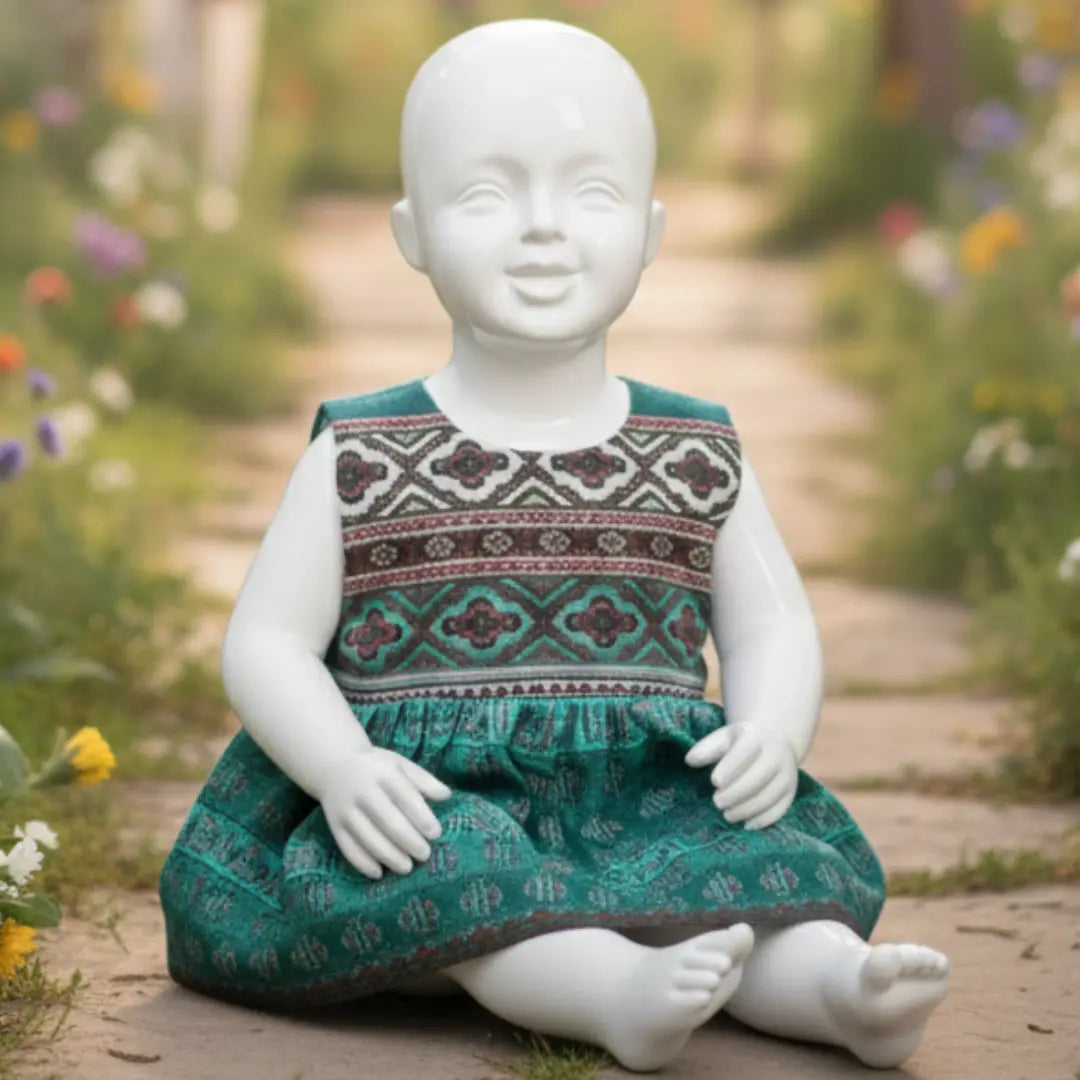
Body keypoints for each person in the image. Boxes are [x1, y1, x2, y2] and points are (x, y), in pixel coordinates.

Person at [159, 19, 949, 1072]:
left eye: (592, 194)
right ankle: (612, 996)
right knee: (470, 882)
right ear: (413, 233)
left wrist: (771, 731)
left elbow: (773, 620)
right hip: (430, 797)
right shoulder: (361, 452)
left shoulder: (695, 447)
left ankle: (840, 990)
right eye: (487, 197)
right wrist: (343, 766)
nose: (543, 231)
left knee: (744, 874)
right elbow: (264, 641)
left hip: (649, 788)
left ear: (652, 230)